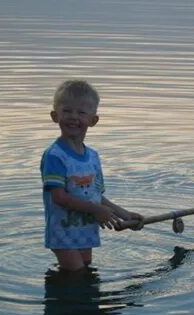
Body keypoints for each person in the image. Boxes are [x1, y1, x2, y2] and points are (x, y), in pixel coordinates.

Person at [40, 80, 143, 271]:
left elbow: (96, 197)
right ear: (55, 116)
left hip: (86, 229)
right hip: (63, 232)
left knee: (86, 268)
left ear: (93, 121)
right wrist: (96, 211)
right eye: (67, 111)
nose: (73, 117)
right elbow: (59, 197)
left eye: (81, 112)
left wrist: (124, 214)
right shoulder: (55, 156)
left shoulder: (92, 157)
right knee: (76, 274)